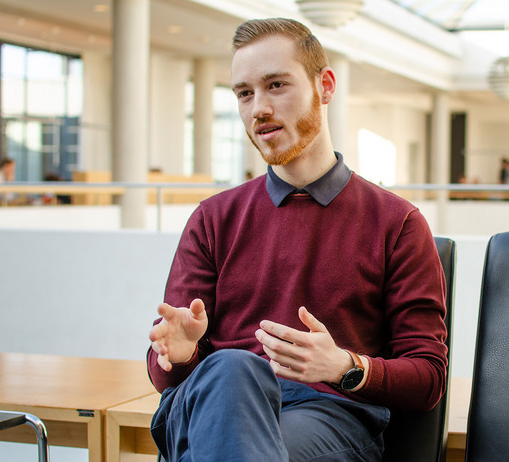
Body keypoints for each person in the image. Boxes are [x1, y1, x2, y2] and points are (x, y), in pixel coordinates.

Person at [146, 17, 448, 462]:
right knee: (232, 368)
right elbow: (163, 372)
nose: (258, 109)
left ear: (325, 86)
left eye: (276, 85)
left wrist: (346, 366)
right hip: (208, 404)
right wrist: (185, 353)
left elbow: (428, 379)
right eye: (244, 93)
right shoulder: (213, 218)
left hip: (325, 414)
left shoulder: (397, 223)